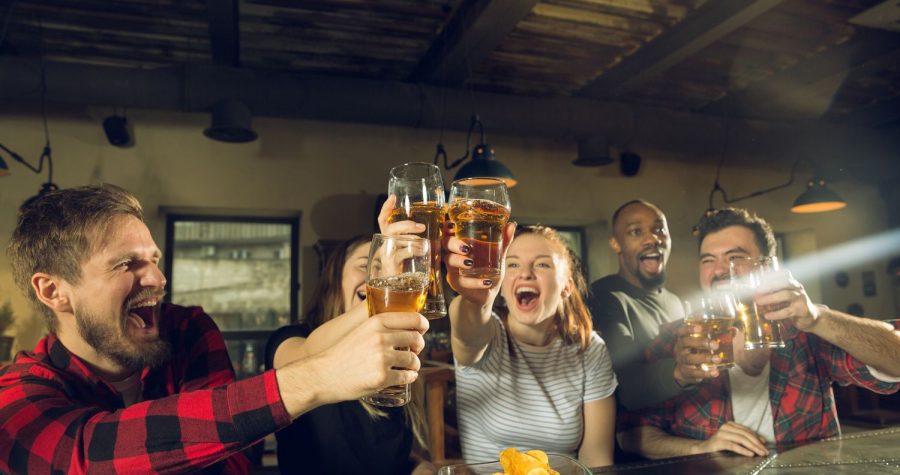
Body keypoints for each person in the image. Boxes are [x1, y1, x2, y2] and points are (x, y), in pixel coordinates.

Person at [0, 184, 428, 474]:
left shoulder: (186, 330)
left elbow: (236, 461)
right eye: (127, 264)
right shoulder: (17, 396)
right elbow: (88, 453)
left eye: (155, 260)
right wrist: (318, 377)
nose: (158, 279)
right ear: (54, 291)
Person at [618, 207, 900, 459]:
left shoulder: (806, 330)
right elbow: (627, 433)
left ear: (767, 265)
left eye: (735, 257)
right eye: (708, 260)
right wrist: (699, 448)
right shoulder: (678, 340)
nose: (720, 271)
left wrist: (817, 317)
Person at [445, 224, 617, 467]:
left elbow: (596, 459)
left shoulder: (590, 349)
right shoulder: (490, 334)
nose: (525, 273)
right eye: (512, 264)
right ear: (502, 285)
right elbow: (467, 332)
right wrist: (474, 298)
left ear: (566, 286)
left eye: (542, 264)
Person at [266, 236, 434, 474]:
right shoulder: (290, 338)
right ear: (335, 278)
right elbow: (306, 358)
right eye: (367, 266)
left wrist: (421, 466)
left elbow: (391, 447)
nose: (380, 276)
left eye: (387, 270)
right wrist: (388, 295)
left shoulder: (395, 354)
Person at [588, 200, 685, 413]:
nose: (652, 238)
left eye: (659, 229)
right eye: (636, 232)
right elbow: (622, 384)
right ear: (615, 244)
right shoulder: (603, 298)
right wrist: (683, 372)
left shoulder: (675, 302)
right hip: (632, 441)